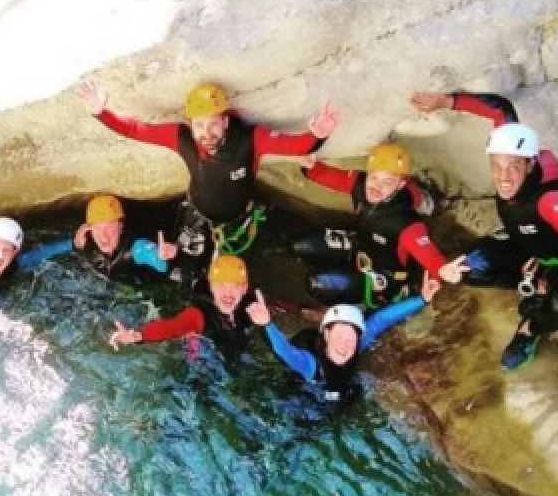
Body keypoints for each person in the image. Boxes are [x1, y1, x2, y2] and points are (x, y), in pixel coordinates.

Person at [409, 91, 558, 370]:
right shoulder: (512, 148)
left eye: (514, 167)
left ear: (530, 164)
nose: (504, 177)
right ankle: (531, 284)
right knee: (464, 268)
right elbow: (501, 109)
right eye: (497, 166)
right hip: (527, 247)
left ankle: (529, 328)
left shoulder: (546, 197)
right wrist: (445, 102)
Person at [79, 79, 341, 292]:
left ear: (226, 122)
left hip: (236, 219)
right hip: (196, 215)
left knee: (233, 273)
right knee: (183, 272)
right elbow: (137, 130)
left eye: (214, 124)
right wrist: (101, 113)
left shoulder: (249, 140)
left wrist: (317, 134)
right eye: (200, 126)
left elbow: (293, 146)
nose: (207, 133)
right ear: (191, 125)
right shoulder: (182, 138)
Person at [291, 142, 467, 308]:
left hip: (383, 274)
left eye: (387, 182)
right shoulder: (360, 184)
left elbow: (428, 255)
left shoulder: (406, 223)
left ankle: (362, 304)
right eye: (373, 177)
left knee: (317, 283)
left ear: (400, 185)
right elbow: (323, 174)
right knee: (299, 245)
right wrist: (309, 165)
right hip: (361, 245)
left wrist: (442, 270)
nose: (376, 186)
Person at [247, 276, 440, 403]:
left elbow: (381, 319)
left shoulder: (356, 345)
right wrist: (267, 325)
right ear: (327, 334)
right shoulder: (309, 364)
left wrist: (422, 299)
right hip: (302, 400)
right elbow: (285, 351)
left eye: (350, 336)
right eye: (339, 335)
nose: (345, 343)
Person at [107, 254, 259, 360]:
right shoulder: (198, 314)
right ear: (211, 287)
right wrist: (137, 336)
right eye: (221, 286)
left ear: (245, 289)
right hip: (202, 371)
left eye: (235, 286)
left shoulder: (252, 308)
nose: (228, 293)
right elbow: (172, 327)